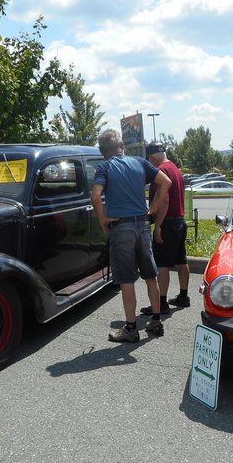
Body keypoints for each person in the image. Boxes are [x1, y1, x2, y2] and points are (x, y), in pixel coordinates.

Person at [91, 129, 171, 343]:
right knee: (150, 276)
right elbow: (166, 182)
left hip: (121, 227)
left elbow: (96, 196)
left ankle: (131, 329)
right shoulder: (139, 163)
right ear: (122, 146)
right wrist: (153, 207)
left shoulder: (104, 167)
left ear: (102, 151)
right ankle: (156, 321)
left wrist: (103, 220)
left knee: (127, 281)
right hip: (143, 224)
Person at [140, 142, 191, 315]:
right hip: (180, 221)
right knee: (181, 260)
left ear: (152, 157)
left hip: (167, 222)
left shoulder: (159, 172)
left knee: (162, 264)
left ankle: (161, 302)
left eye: (149, 160)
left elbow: (165, 201)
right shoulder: (175, 169)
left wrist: (158, 226)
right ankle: (183, 296)